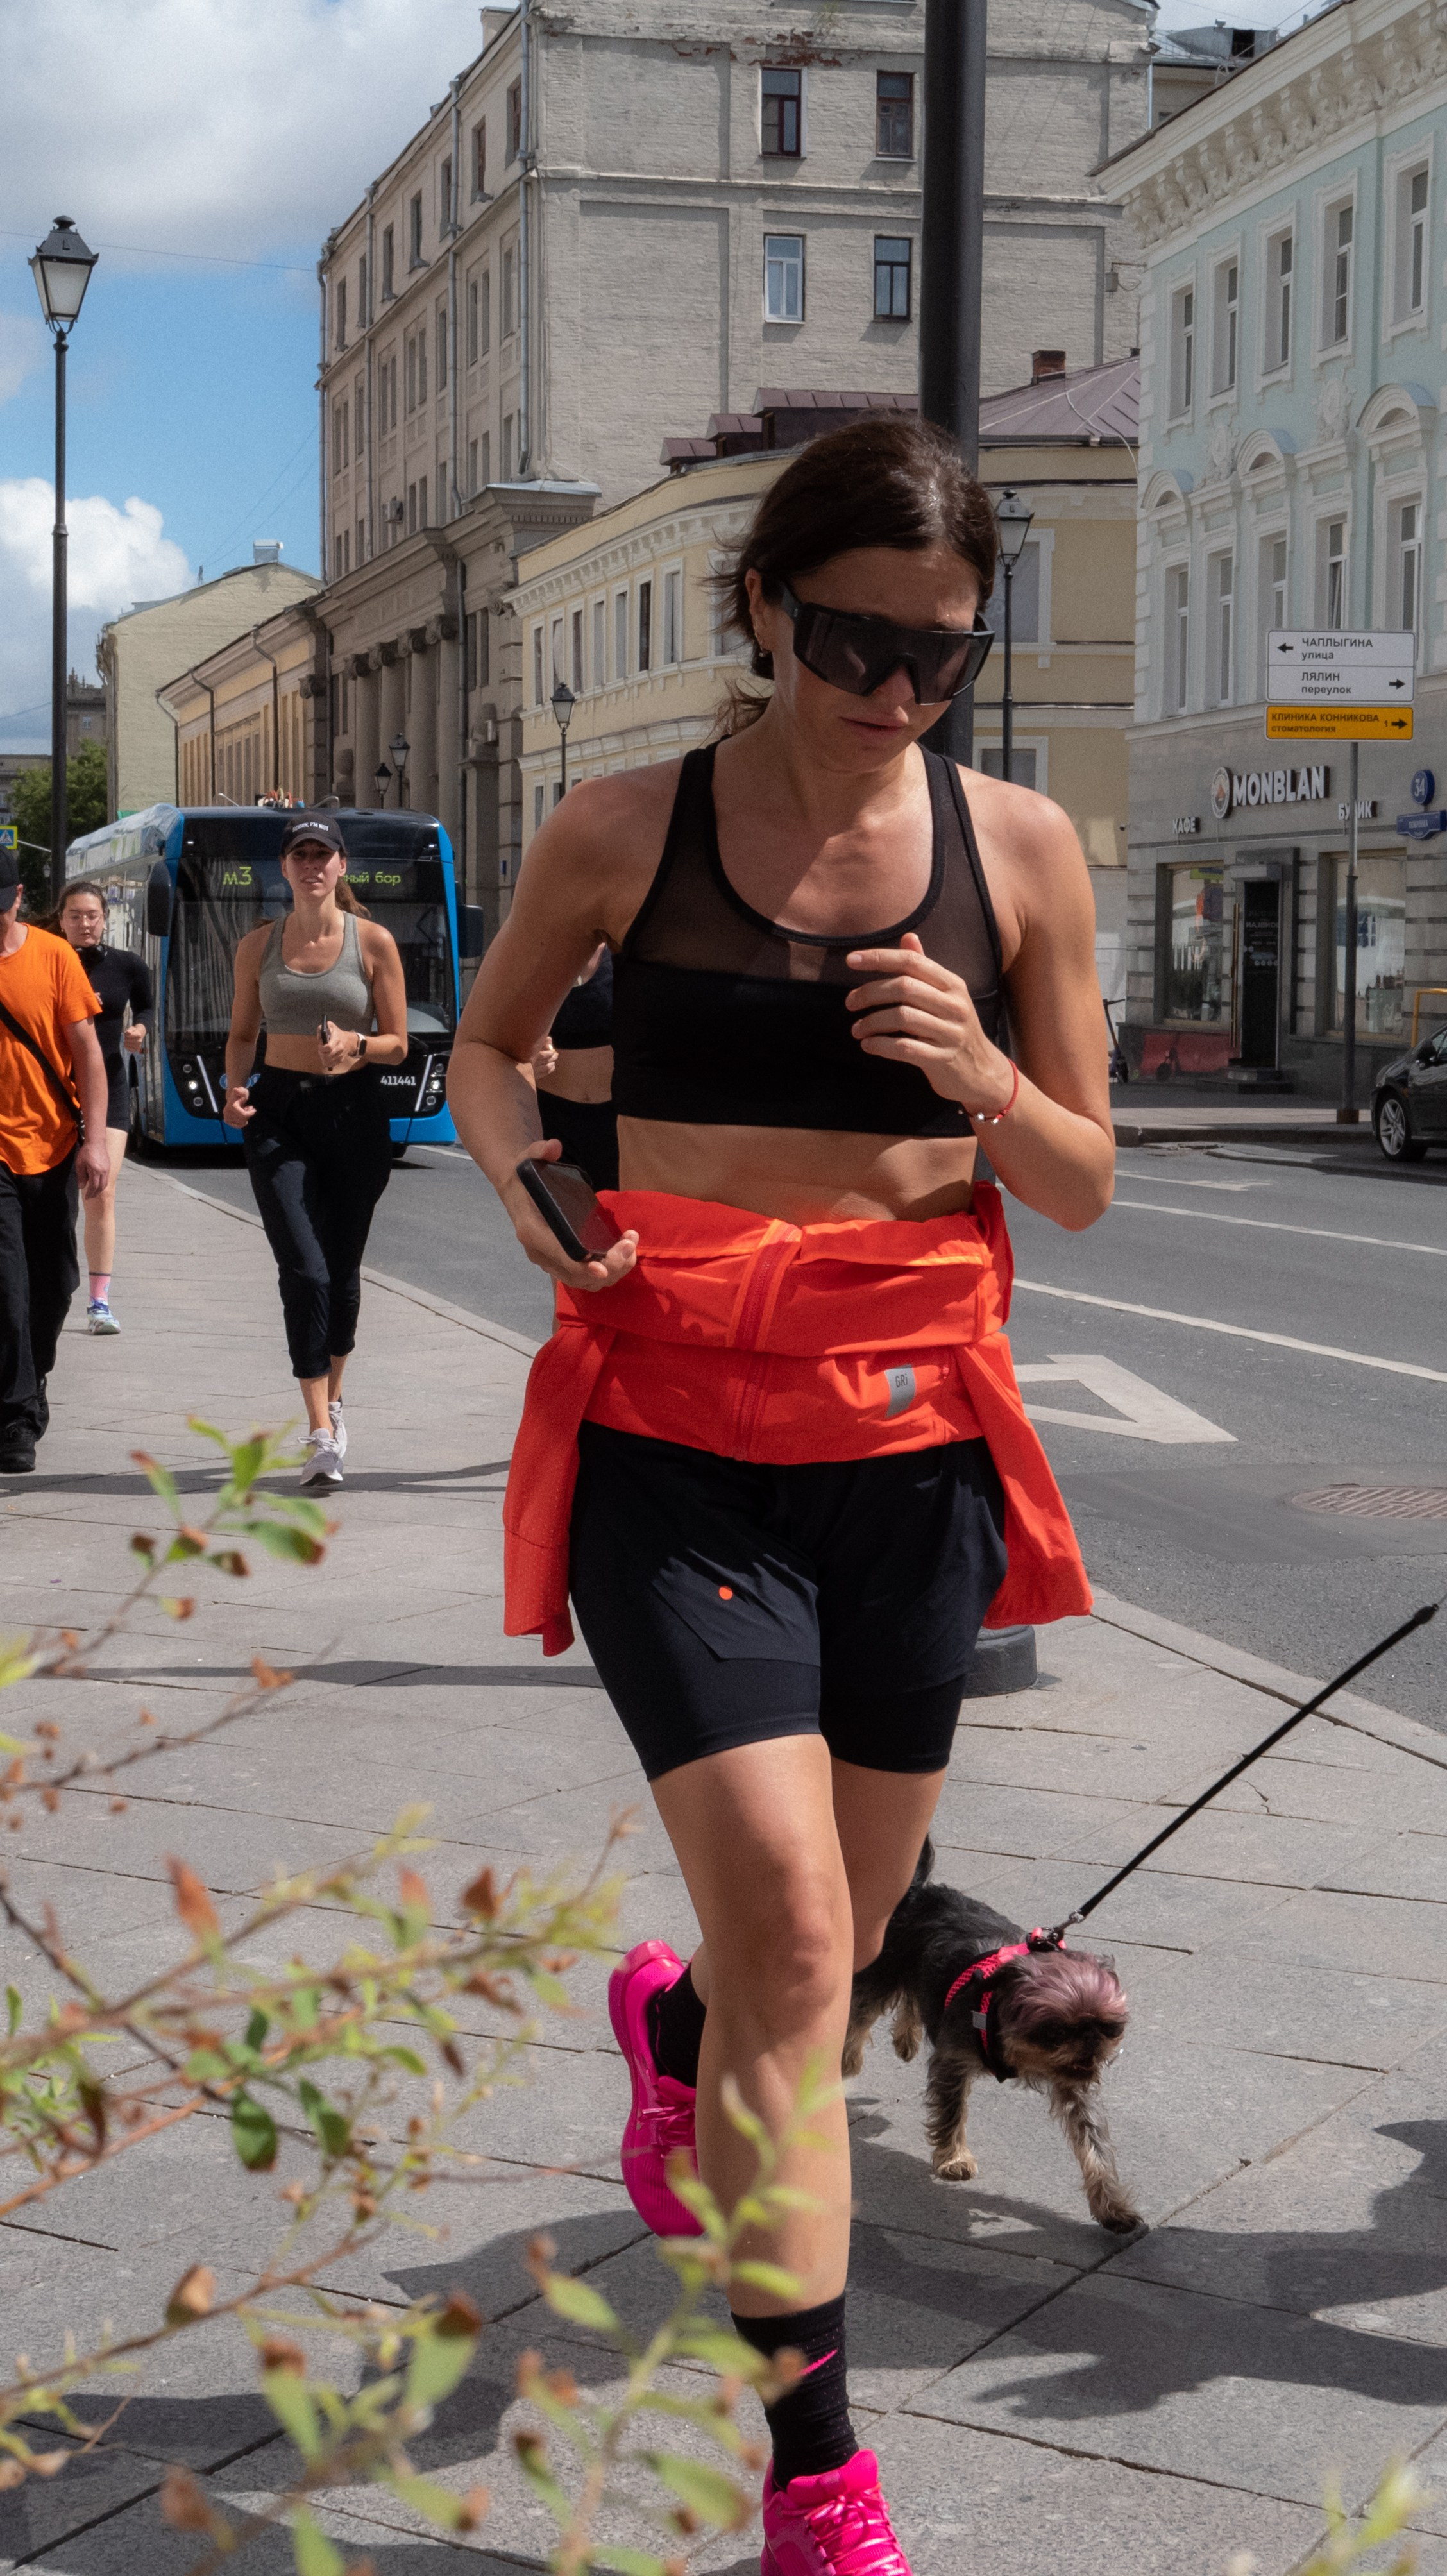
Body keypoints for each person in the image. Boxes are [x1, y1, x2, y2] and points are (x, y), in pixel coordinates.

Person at [447, 417, 1111, 2575]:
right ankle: (818, 2480)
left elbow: (1081, 1178)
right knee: (809, 1945)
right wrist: (539, 1182)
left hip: (906, 1458)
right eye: (849, 637)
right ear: (757, 605)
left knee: (774, 1970)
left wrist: (980, 1069)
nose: (894, 687)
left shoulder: (1014, 852)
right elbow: (487, 1044)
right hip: (676, 1447)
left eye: (938, 652)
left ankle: (675, 2020)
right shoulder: (624, 825)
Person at [223, 815, 409, 1488]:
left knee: (341, 1268)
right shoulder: (257, 946)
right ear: (284, 867)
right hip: (278, 1113)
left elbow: (399, 1041)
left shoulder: (375, 942)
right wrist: (234, 1089)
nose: (311, 865)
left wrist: (357, 1047)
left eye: (322, 854)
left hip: (355, 1113)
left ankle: (334, 1395)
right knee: (303, 1266)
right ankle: (320, 1431)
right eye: (300, 854)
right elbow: (244, 1033)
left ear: (341, 865)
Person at [0, 852, 111, 1473]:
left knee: (55, 1284)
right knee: (6, 1283)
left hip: (54, 1144)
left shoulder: (52, 956)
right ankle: (16, 1416)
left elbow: (88, 1057)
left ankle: (30, 1379)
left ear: (17, 896)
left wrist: (95, 1141)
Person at [50, 878, 154, 1334]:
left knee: (102, 1190)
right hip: (53, 1093)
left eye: (92, 915)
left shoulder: (128, 966)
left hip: (108, 1090)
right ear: (61, 920)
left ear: (105, 918)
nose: (85, 923)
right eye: (75, 916)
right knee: (51, 1200)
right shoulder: (46, 962)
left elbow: (148, 1009)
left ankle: (99, 1303)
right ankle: (45, 1287)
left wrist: (141, 1032)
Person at [534, 943, 618, 1189]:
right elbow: (498, 1045)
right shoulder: (531, 958)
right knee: (557, 1223)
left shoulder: (624, 953)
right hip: (550, 1120)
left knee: (622, 1221)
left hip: (618, 1122)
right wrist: (527, 1061)